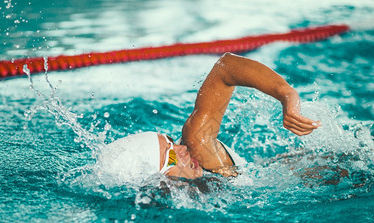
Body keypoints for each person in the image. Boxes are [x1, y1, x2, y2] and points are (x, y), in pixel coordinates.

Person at [97, 53, 320, 181]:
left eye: (172, 143)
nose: (182, 149)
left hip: (307, 169)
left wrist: (287, 96)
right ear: (155, 177)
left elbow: (226, 67)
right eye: (171, 156)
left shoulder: (196, 145)